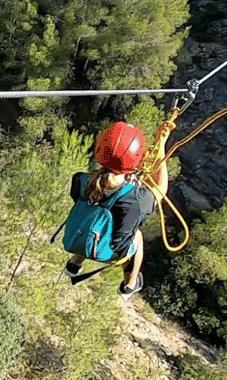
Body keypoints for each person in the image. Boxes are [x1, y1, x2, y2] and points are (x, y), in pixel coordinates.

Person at [63, 121, 172, 300]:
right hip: (109, 254)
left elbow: (100, 189)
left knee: (90, 216)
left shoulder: (80, 180)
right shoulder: (135, 199)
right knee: (137, 237)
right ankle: (130, 285)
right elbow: (160, 190)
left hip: (75, 238)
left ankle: (75, 263)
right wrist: (161, 145)